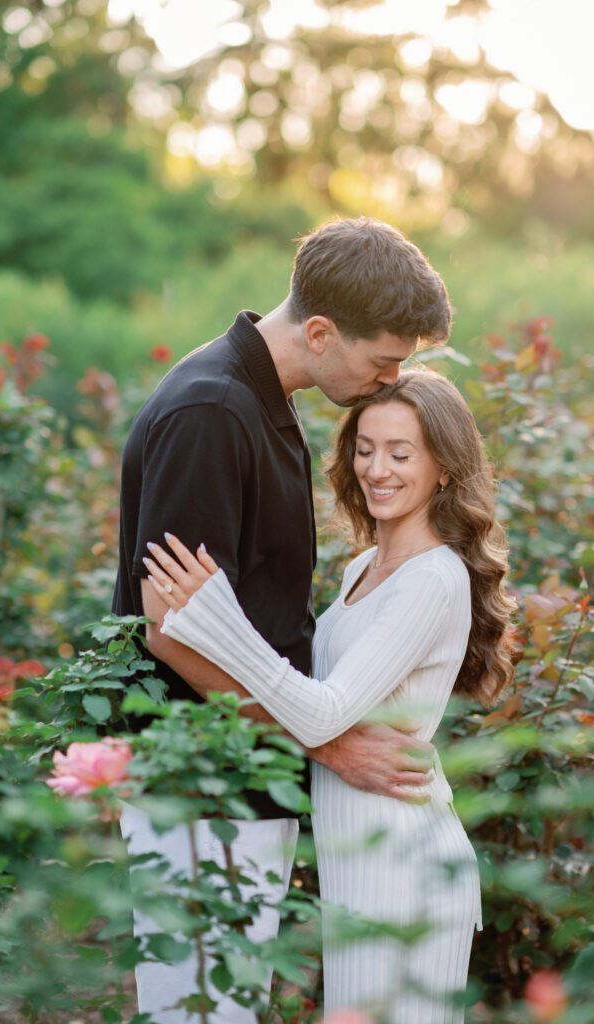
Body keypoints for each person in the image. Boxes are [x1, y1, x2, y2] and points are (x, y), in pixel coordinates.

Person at [111, 216, 453, 1023]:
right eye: (383, 362)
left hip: (240, 775)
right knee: (198, 1013)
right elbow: (172, 626)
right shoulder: (213, 411)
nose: (388, 381)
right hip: (197, 786)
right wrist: (329, 742)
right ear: (323, 332)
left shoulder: (264, 402)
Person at [143, 367, 515, 1023]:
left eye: (402, 454)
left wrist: (217, 620)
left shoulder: (434, 579)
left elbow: (322, 711)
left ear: (445, 470)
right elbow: (308, 702)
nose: (378, 469)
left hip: (404, 859)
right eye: (365, 449)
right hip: (356, 855)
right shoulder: (362, 569)